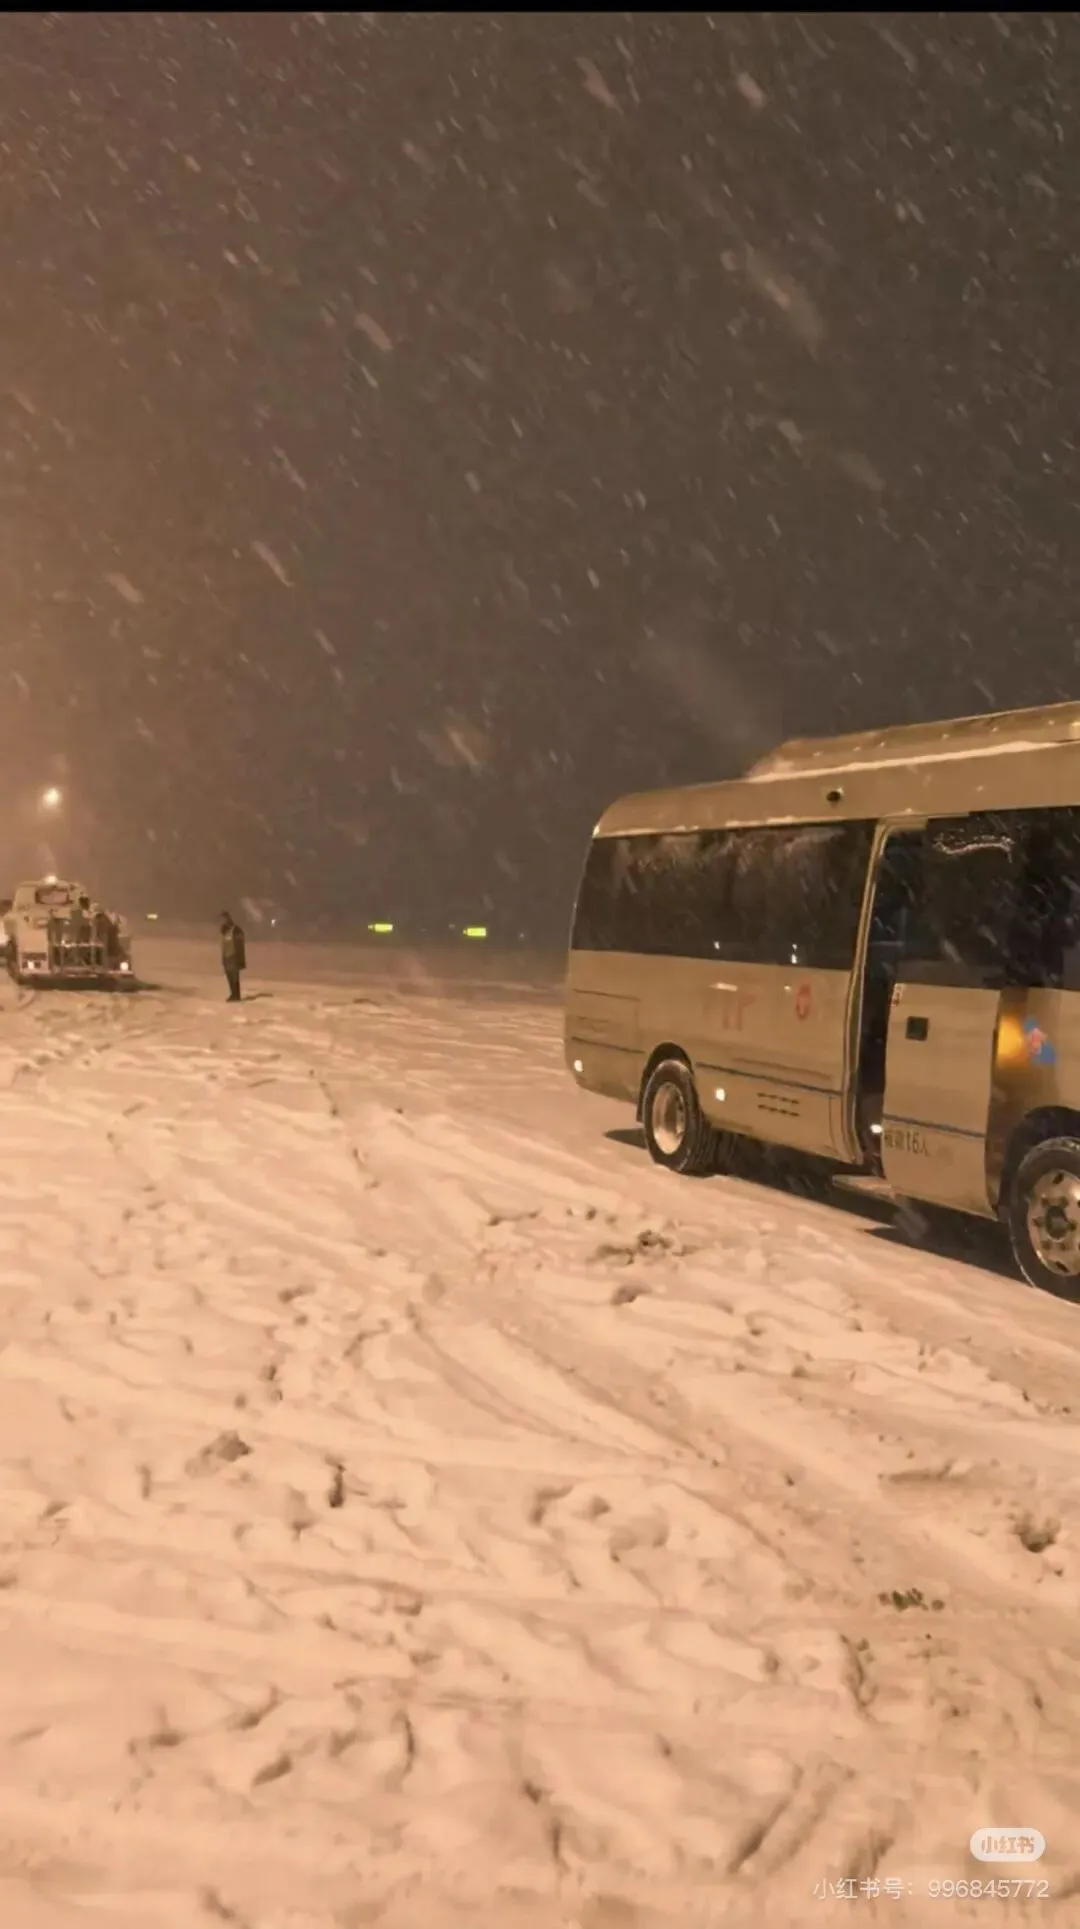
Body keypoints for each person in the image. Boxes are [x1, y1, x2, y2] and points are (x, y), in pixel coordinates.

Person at [220, 910, 246, 1003]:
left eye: (224, 919)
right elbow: (223, 944)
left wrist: (240, 958)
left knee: (234, 977)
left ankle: (236, 995)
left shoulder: (236, 930)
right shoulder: (223, 930)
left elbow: (240, 944)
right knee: (229, 977)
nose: (223, 921)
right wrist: (223, 957)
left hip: (234, 956)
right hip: (227, 956)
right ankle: (233, 994)